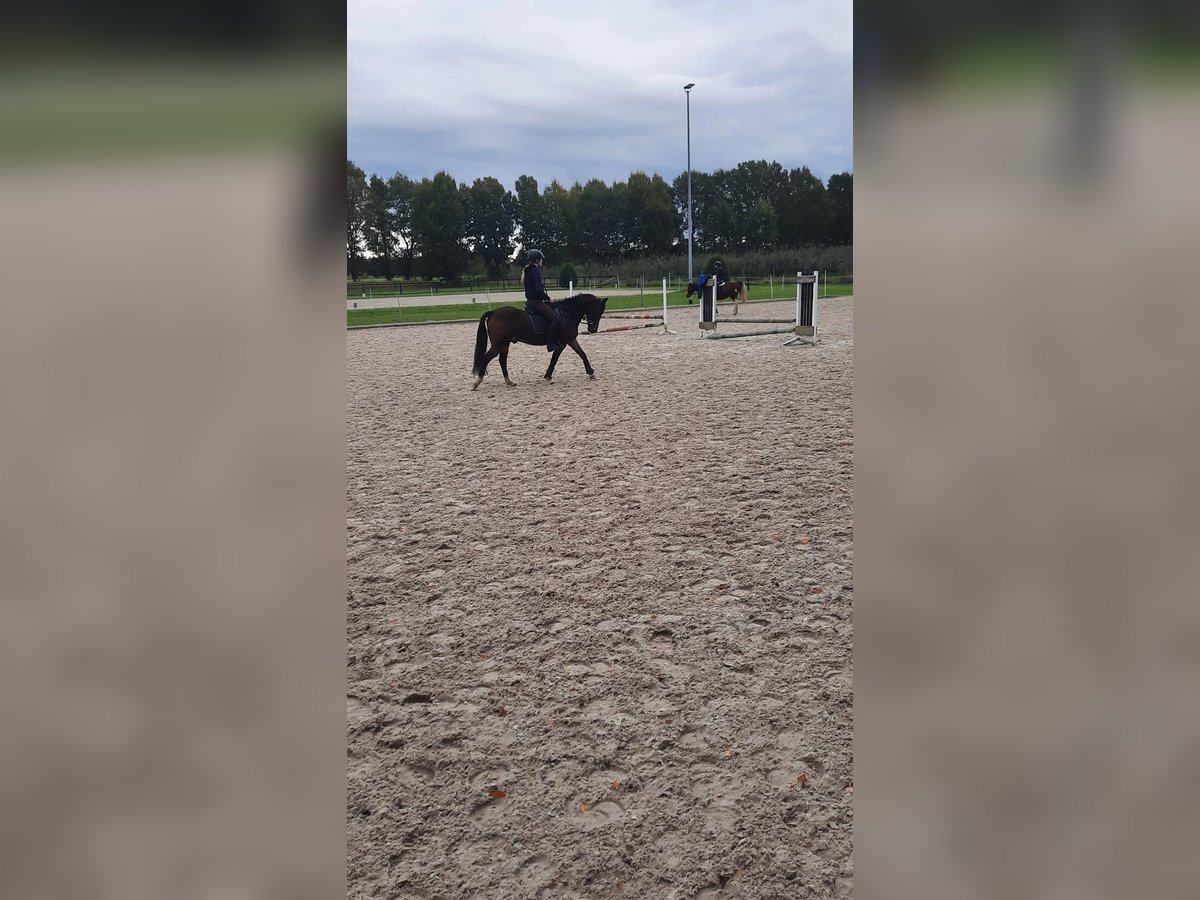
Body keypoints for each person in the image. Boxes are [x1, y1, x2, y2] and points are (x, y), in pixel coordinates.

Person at [523, 249, 562, 352]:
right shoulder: (535, 271)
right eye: (541, 259)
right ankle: (551, 343)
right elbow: (539, 291)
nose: (542, 261)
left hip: (530, 301)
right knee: (554, 319)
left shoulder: (527, 270)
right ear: (537, 260)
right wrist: (548, 299)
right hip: (536, 302)